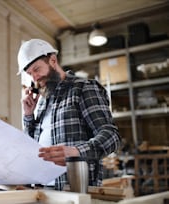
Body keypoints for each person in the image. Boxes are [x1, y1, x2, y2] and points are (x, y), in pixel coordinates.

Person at [17, 38, 121, 191]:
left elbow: (111, 136)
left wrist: (76, 153)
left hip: (74, 189)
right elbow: (33, 147)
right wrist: (28, 116)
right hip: (42, 189)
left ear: (53, 60)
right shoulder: (42, 102)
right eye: (30, 74)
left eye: (37, 69)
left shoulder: (83, 88)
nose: (35, 78)